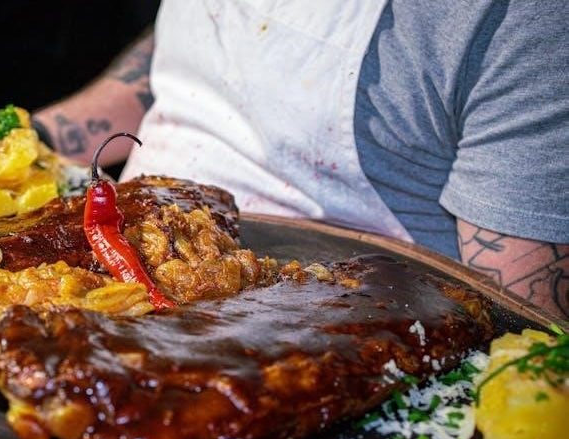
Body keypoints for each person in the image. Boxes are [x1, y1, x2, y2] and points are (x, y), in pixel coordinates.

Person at [32, 1, 568, 319]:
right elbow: (192, 50)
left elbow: (524, 327)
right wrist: (37, 136)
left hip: (330, 324)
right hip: (123, 258)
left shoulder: (525, 22)